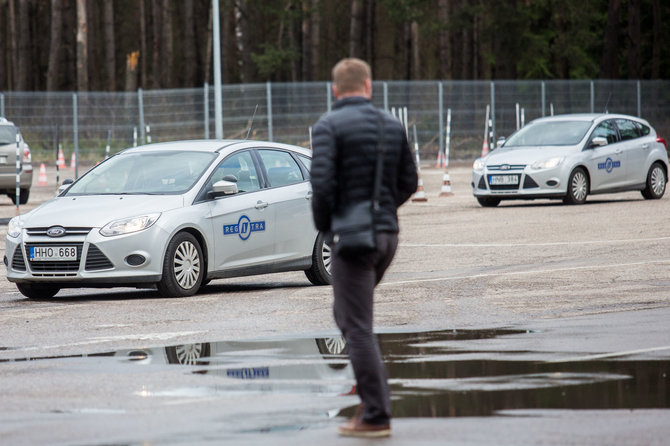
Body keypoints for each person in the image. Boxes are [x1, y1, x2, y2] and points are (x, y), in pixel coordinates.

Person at [310, 58, 418, 438]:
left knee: (356, 327)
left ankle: (375, 414)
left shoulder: (327, 127)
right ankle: (372, 406)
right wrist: (383, 211)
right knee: (351, 319)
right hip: (387, 236)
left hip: (353, 241)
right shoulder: (391, 124)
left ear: (335, 90)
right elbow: (410, 181)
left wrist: (328, 227)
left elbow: (321, 189)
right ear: (369, 87)